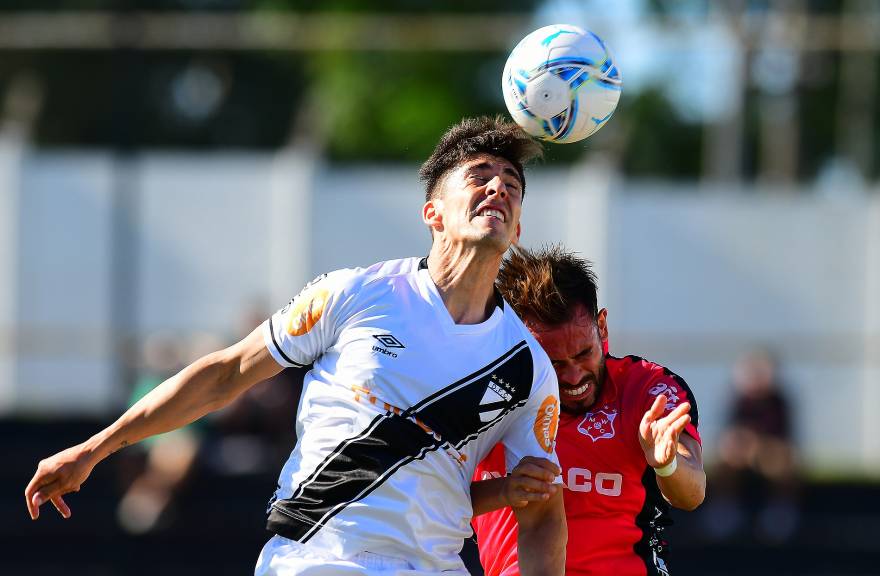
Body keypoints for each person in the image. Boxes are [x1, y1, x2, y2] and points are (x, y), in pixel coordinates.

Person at [24, 116, 566, 576]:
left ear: (517, 229)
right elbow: (226, 373)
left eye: (512, 185)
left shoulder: (528, 369)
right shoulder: (358, 293)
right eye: (480, 177)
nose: (498, 188)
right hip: (319, 559)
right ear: (433, 212)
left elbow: (541, 510)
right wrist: (94, 448)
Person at [470, 246, 705, 576]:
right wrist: (505, 490)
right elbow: (433, 500)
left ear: (602, 328)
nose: (574, 376)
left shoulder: (647, 389)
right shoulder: (480, 399)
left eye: (583, 354)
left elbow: (693, 493)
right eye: (554, 364)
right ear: (516, 348)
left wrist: (666, 465)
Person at [704, 346, 799, 544]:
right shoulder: (739, 401)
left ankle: (779, 512)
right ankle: (725, 508)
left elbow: (783, 440)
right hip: (742, 455)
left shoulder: (779, 402)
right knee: (726, 457)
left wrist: (757, 445)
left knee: (781, 460)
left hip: (768, 456)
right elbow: (730, 435)